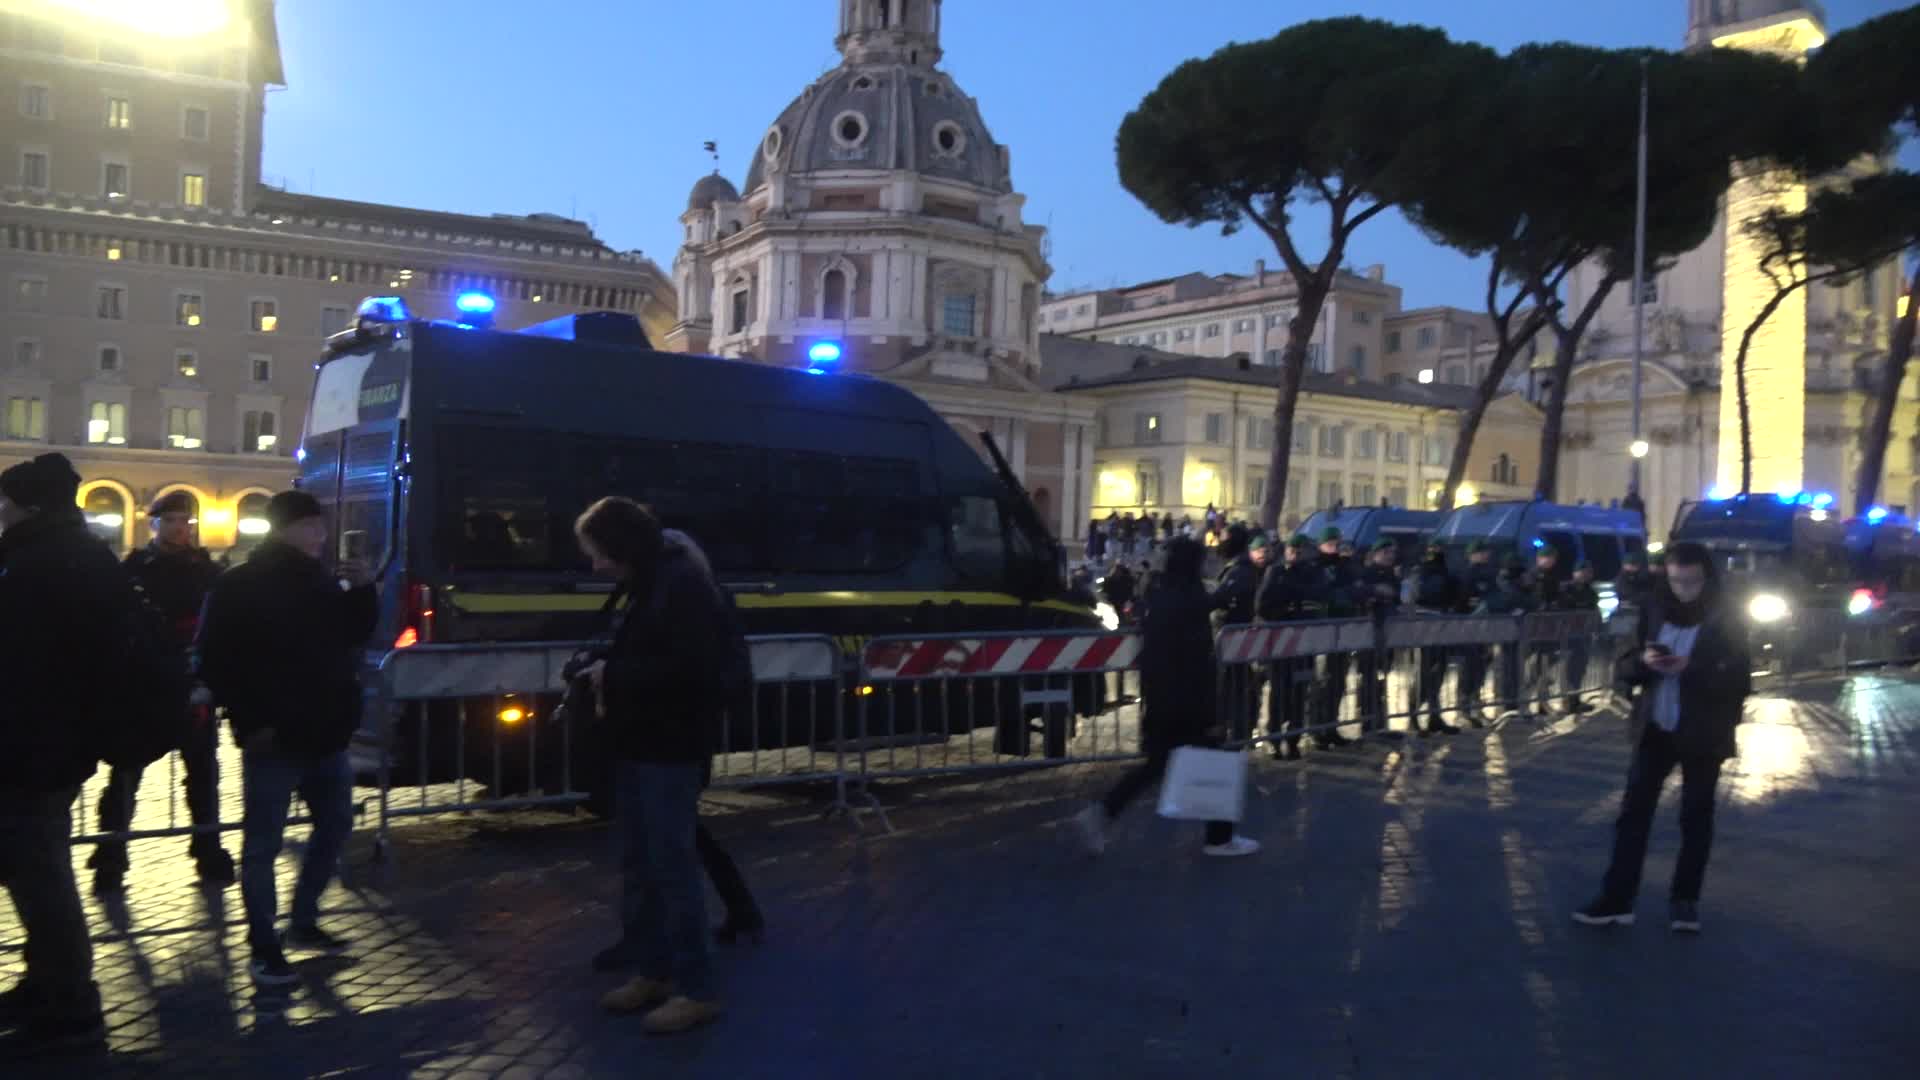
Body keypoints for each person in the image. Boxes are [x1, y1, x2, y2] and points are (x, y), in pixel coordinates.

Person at [198, 492, 376, 990]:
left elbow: (349, 636)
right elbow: (216, 658)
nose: (321, 535)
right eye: (312, 526)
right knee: (263, 845)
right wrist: (253, 721)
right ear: (284, 528)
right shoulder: (241, 584)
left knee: (336, 824)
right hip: (274, 737)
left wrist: (362, 590)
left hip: (326, 732)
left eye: (322, 526)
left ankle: (303, 918)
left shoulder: (319, 580)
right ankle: (263, 945)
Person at [576, 498, 727, 1035]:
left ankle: (696, 986)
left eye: (598, 554)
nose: (595, 566)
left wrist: (610, 675)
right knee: (642, 863)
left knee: (670, 865)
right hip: (641, 740)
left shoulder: (680, 585)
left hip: (669, 745)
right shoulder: (655, 579)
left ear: (622, 546)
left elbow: (689, 669)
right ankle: (654, 971)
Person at [0, 454, 115, 1059]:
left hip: (30, 747)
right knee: (36, 874)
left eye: (5, 502)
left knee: (42, 881)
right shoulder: (77, 556)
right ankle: (46, 986)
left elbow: (21, 664)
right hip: (52, 746)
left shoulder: (35, 564)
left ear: (27, 505)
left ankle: (70, 1004)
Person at [1574, 542, 1751, 934]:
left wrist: (1694, 667)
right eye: (1676, 581)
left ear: (1706, 578)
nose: (1684, 589)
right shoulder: (1655, 608)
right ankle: (1617, 897)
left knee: (1695, 816)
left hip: (1703, 731)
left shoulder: (1727, 616)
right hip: (1656, 727)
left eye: (1691, 582)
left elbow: (1740, 676)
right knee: (1633, 814)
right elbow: (1625, 662)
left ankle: (1685, 900)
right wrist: (1644, 662)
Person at [1072, 537, 1259, 858]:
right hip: (1190, 701)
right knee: (1214, 759)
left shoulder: (1158, 594)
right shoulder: (1192, 597)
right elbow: (1198, 658)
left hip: (1161, 697)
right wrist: (1211, 708)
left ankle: (1103, 811)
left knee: (1156, 764)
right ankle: (1219, 838)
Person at [90, 491, 233, 895]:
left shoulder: (207, 569)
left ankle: (208, 848)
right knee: (125, 776)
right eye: (170, 520)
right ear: (154, 524)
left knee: (203, 773)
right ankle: (110, 856)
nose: (179, 528)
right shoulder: (135, 567)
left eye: (184, 521)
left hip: (192, 682)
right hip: (145, 687)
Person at [1258, 535, 1328, 759]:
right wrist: (1288, 606)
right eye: (1292, 550)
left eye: (1300, 550)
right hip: (1281, 642)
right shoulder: (1276, 572)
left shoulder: (1314, 573)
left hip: (1304, 643)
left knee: (1300, 691)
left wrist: (1293, 598)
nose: (1296, 554)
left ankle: (1294, 737)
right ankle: (1275, 738)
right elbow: (1263, 604)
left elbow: (1318, 598)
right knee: (1279, 691)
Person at [1211, 525, 1261, 742]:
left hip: (1235, 638)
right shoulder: (1235, 567)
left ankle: (1238, 733)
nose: (1218, 542)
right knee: (1236, 687)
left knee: (1235, 688)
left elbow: (1222, 598)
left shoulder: (1240, 569)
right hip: (1232, 638)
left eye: (1222, 537)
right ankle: (1237, 732)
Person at [1409, 542, 1464, 736]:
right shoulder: (1421, 572)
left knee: (1438, 671)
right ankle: (1414, 715)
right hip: (1424, 624)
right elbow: (1418, 596)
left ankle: (1434, 715)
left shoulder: (1445, 572)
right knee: (1424, 672)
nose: (1437, 554)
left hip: (1442, 622)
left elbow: (1454, 595)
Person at [1312, 529, 1360, 744]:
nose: (1334, 547)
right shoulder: (1315, 567)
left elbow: (1355, 588)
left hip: (1342, 629)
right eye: (1329, 543)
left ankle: (1331, 725)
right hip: (1323, 629)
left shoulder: (1344, 567)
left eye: (1336, 543)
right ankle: (1317, 728)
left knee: (1338, 681)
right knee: (1322, 681)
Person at [1356, 540, 1402, 736]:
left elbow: (1397, 599)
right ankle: (1368, 721)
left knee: (1382, 677)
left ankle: (1380, 721)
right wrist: (1375, 592)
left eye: (1391, 552)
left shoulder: (1392, 575)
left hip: (1387, 632)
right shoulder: (1367, 574)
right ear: (1375, 554)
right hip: (1370, 632)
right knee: (1369, 678)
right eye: (1385, 552)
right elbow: (1359, 595)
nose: (1389, 556)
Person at [1457, 541, 1501, 726]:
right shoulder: (1468, 574)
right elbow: (1462, 600)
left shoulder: (1490, 574)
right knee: (1470, 667)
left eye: (1485, 552)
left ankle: (1475, 704)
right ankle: (1464, 707)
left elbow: (1496, 597)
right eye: (1480, 552)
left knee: (1481, 666)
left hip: (1485, 627)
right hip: (1469, 626)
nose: (1484, 555)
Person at [1560, 560, 1602, 713]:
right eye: (1582, 571)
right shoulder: (1566, 589)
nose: (1585, 575)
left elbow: (1594, 610)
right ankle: (1568, 701)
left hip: (1583, 634)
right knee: (1569, 669)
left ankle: (1574, 700)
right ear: (1574, 573)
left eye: (1588, 572)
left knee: (1579, 668)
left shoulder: (1590, 591)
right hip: (1568, 635)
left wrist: (1597, 627)